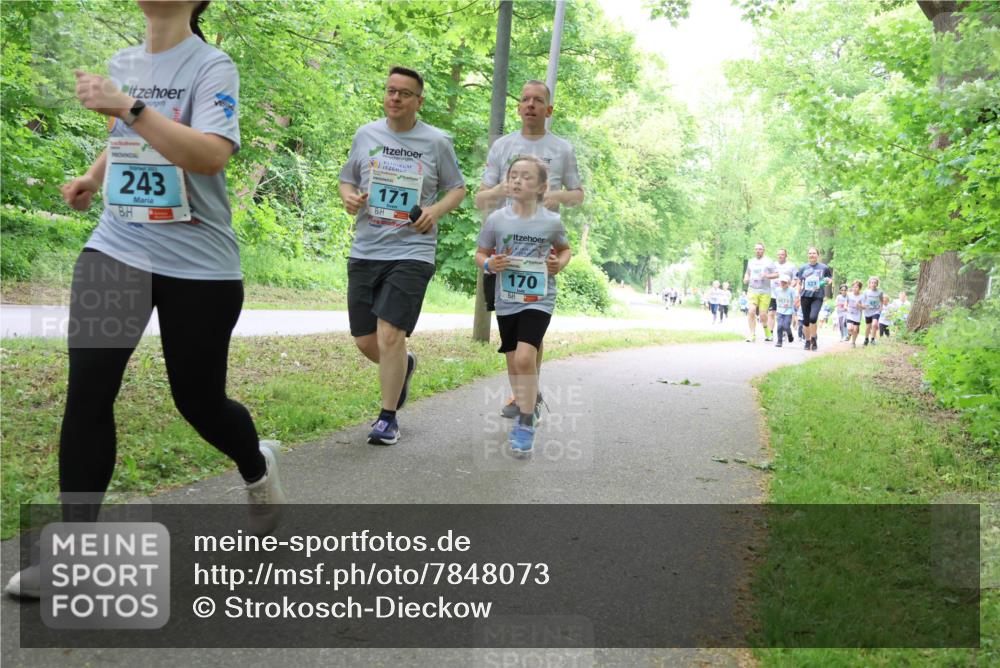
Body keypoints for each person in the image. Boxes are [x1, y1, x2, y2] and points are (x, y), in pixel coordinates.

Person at [6, 0, 284, 599]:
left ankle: (257, 468)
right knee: (89, 390)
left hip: (199, 267)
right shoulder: (126, 60)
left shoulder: (213, 66)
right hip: (117, 250)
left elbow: (208, 154)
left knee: (199, 401)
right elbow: (126, 136)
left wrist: (128, 105)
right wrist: (92, 177)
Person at [339, 66, 467, 445]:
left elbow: (457, 189)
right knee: (366, 340)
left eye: (404, 93)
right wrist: (348, 195)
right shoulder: (366, 135)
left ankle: (387, 418)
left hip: (412, 250)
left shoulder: (436, 141)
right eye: (390, 91)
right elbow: (347, 178)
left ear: (419, 101)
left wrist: (435, 212)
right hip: (366, 248)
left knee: (390, 332)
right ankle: (404, 366)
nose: (395, 98)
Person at [475, 79, 583, 420]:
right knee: (511, 334)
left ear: (548, 110)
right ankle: (524, 394)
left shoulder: (562, 148)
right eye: (525, 99)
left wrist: (556, 197)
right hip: (506, 250)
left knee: (530, 333)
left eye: (538, 100)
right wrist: (502, 190)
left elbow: (577, 195)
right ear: (518, 107)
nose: (531, 105)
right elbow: (481, 196)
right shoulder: (502, 146)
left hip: (540, 250)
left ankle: (527, 396)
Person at [476, 156, 571, 454]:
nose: (517, 180)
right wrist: (490, 263)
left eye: (526, 177)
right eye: (513, 175)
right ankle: (526, 402)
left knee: (525, 357)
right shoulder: (496, 219)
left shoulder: (551, 221)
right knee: (513, 358)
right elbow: (480, 254)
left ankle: (526, 422)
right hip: (507, 298)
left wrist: (559, 264)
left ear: (542, 186)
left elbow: (566, 250)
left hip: (539, 299)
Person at [795, 247, 833, 351]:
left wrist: (826, 281)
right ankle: (807, 341)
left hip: (817, 296)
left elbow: (829, 280)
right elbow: (799, 282)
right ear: (808, 255)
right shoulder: (803, 268)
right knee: (806, 321)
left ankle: (814, 338)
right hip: (805, 296)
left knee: (813, 318)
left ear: (817, 255)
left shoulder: (824, 267)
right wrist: (797, 295)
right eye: (810, 253)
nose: (812, 255)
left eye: (814, 253)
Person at [743, 243, 779, 342]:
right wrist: (746, 278)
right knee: (751, 311)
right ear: (754, 250)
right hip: (752, 289)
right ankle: (752, 334)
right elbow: (747, 273)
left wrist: (767, 276)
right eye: (756, 249)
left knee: (763, 315)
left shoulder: (769, 261)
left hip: (765, 291)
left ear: (764, 250)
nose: (758, 251)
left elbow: (777, 274)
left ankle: (767, 331)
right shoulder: (751, 261)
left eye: (760, 249)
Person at [768, 248, 796, 337]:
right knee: (771, 313)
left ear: (786, 256)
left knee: (785, 314)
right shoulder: (773, 265)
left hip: (786, 295)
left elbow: (795, 279)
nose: (780, 256)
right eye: (778, 254)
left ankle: (784, 330)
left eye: (782, 254)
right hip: (774, 293)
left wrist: (791, 286)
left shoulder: (791, 266)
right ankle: (770, 334)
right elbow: (767, 276)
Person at [772, 275, 796, 347]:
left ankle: (790, 334)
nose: (782, 284)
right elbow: (775, 298)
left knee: (786, 326)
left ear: (788, 283)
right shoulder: (777, 290)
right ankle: (779, 341)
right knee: (779, 326)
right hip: (780, 310)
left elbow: (795, 299)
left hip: (788, 311)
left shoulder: (791, 290)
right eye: (781, 282)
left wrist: (794, 310)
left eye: (784, 282)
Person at [861, 276, 884, 347]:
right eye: (872, 283)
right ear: (869, 284)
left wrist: (881, 307)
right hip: (868, 311)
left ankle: (873, 339)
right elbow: (862, 301)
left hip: (876, 311)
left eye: (875, 283)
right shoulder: (866, 292)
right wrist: (864, 306)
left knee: (874, 324)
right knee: (868, 326)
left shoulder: (880, 292)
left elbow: (881, 300)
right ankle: (866, 339)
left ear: (877, 284)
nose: (873, 284)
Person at [845, 280, 864, 347]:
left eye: (856, 287)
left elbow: (864, 307)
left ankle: (853, 342)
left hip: (857, 314)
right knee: (850, 328)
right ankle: (849, 334)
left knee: (855, 330)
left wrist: (859, 305)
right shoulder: (849, 294)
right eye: (853, 287)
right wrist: (845, 307)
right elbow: (846, 302)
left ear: (860, 288)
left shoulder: (862, 296)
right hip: (850, 313)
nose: (854, 288)